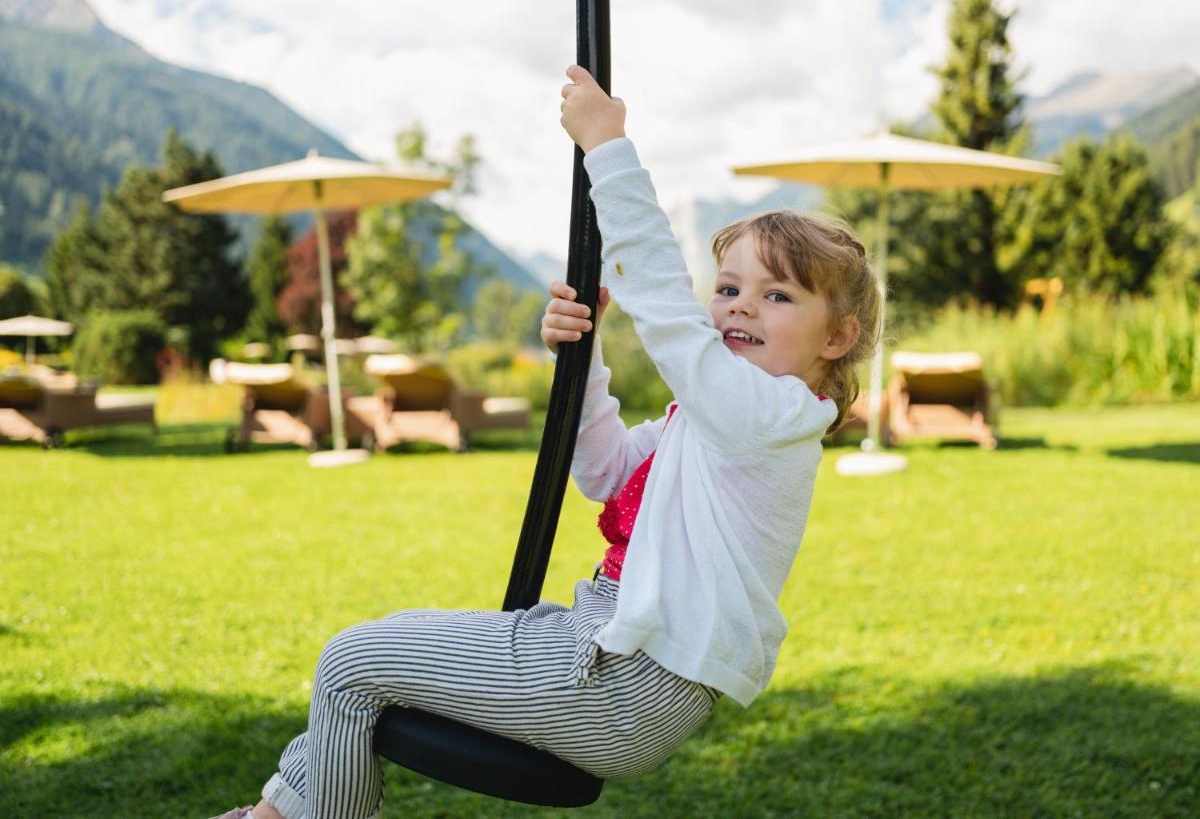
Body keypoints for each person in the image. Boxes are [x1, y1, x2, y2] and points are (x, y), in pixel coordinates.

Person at [211, 66, 880, 819]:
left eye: (777, 295)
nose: (737, 309)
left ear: (839, 337)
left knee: (349, 660)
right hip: (604, 654)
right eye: (727, 288)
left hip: (623, 681)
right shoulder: (718, 422)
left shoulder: (769, 417)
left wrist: (608, 147)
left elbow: (664, 306)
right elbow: (601, 469)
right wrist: (583, 355)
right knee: (367, 670)